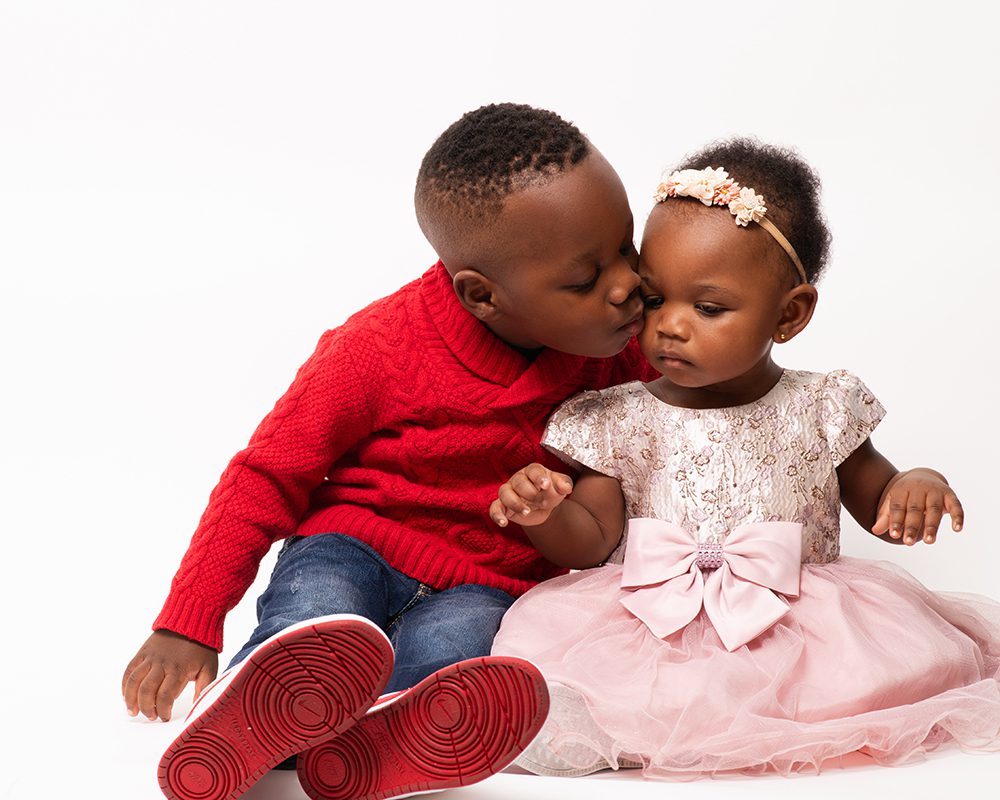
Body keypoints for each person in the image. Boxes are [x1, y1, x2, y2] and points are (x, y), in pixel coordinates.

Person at [120, 102, 653, 800]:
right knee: (318, 619)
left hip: (486, 579)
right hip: (355, 543)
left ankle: (374, 742)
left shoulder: (626, 356)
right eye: (585, 280)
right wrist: (188, 620)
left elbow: (686, 437)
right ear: (482, 296)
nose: (625, 287)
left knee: (450, 657)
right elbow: (266, 476)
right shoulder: (376, 348)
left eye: (629, 249)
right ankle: (259, 712)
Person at [488, 137, 1000, 779]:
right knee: (601, 695)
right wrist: (544, 512)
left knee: (854, 692)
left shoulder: (820, 406)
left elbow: (878, 503)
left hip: (798, 623)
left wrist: (914, 485)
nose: (670, 325)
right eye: (654, 299)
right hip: (651, 622)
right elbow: (590, 544)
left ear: (790, 315)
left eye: (707, 308)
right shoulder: (616, 418)